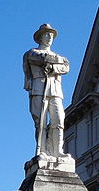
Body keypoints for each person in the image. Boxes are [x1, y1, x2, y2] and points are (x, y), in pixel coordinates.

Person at [23, 23, 70, 159]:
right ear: (40, 37)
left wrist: (53, 68)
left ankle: (57, 151)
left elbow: (66, 67)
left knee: (59, 120)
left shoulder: (58, 56)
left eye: (51, 35)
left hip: (55, 90)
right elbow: (40, 58)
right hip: (39, 88)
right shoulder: (32, 52)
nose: (49, 37)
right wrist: (57, 61)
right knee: (41, 121)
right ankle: (42, 149)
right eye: (46, 34)